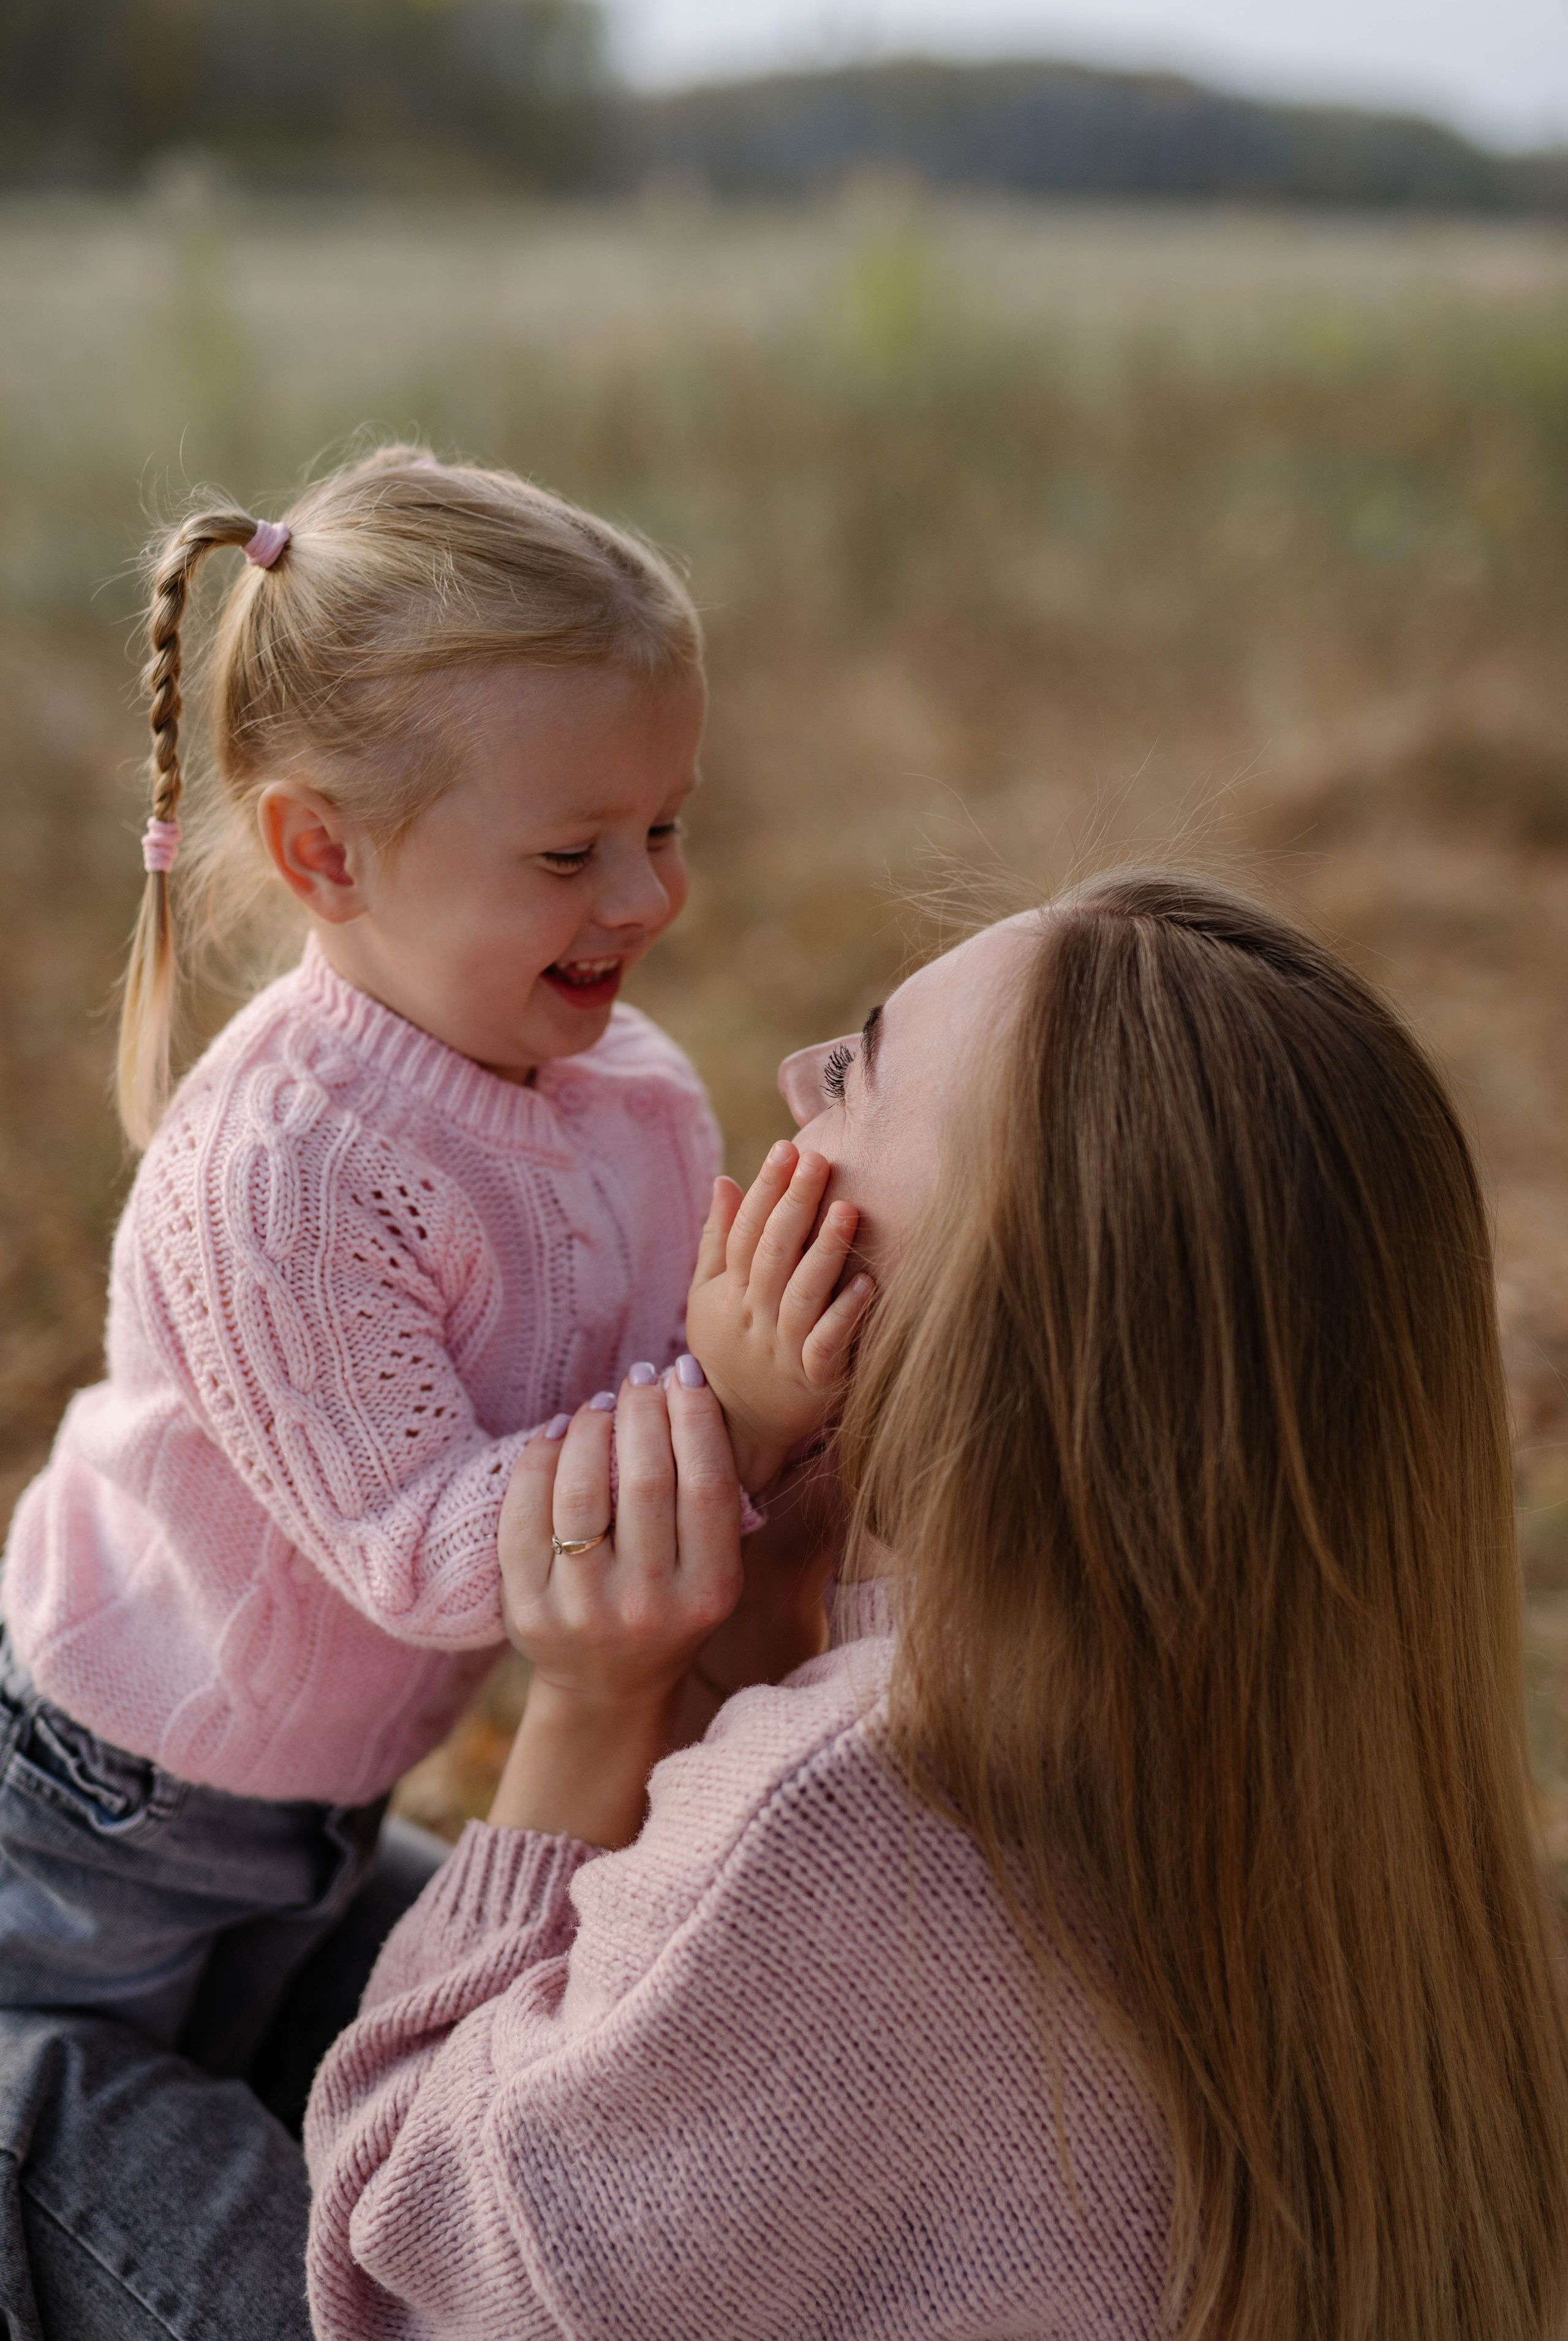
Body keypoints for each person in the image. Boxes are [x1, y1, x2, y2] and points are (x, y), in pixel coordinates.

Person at [298, 872, 1568, 2341]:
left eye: (851, 1073)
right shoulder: (1326, 1757)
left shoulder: (863, 1799)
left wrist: (595, 1703)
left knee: (33, 2099)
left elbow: (404, 2272)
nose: (788, 1087)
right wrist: (760, 1647)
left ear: (988, 1306)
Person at [0, 445, 871, 2078]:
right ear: (326, 855)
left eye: (668, 822)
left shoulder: (640, 1096)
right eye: (571, 854)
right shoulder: (288, 1169)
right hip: (108, 1807)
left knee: (284, 2114)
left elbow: (650, 1378)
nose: (651, 893)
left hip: (331, 1789)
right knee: (106, 2161)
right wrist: (733, 1412)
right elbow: (425, 1552)